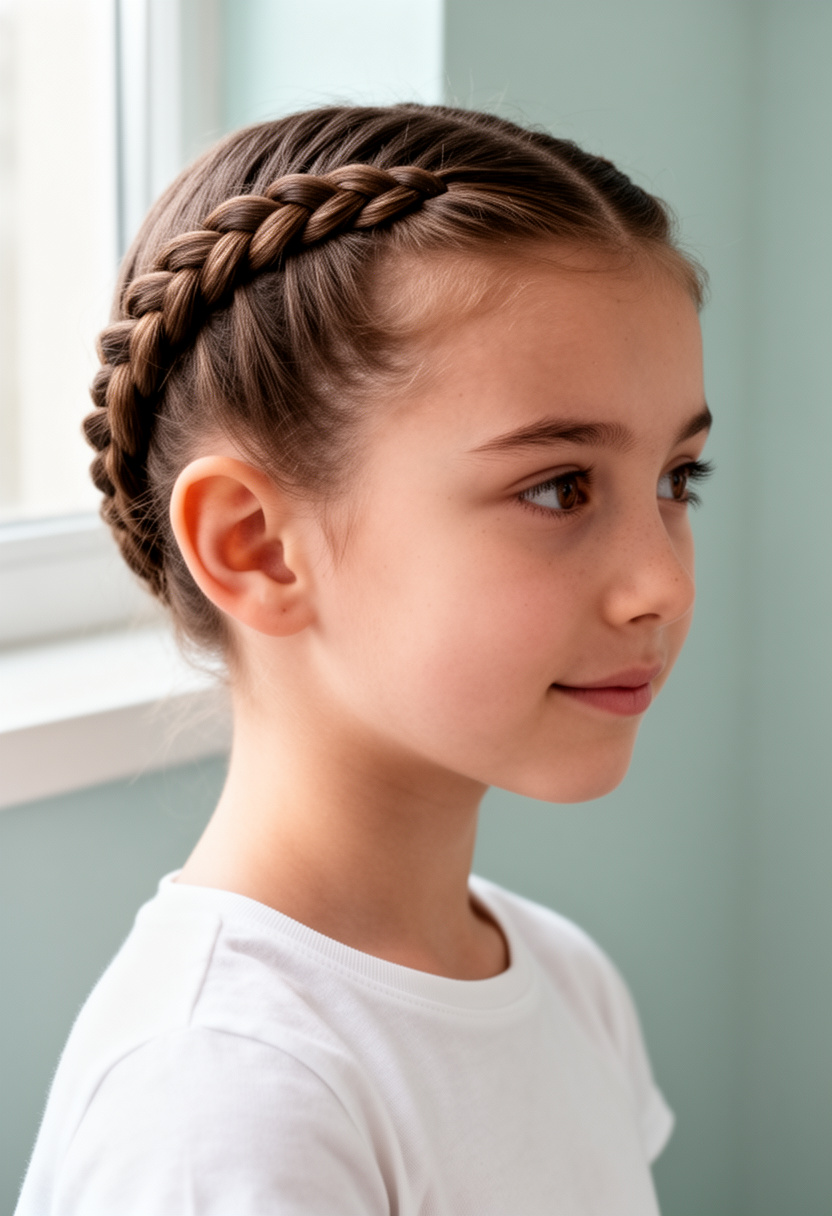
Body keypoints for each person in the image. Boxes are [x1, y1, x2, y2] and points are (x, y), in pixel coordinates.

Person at [16, 103, 712, 1216]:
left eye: (679, 480)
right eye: (557, 487)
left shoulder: (565, 981)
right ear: (256, 547)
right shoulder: (222, 1106)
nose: (663, 582)